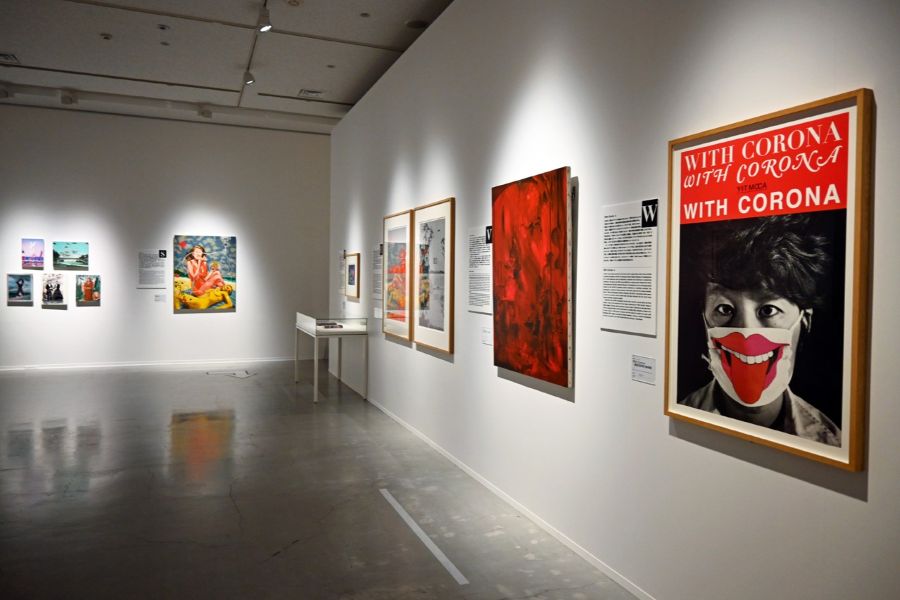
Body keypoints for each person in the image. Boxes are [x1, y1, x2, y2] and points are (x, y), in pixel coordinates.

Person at [678, 214, 840, 447]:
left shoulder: (830, 443)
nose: (746, 333)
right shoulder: (680, 417)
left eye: (768, 310)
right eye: (724, 309)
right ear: (704, 319)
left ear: (805, 321)